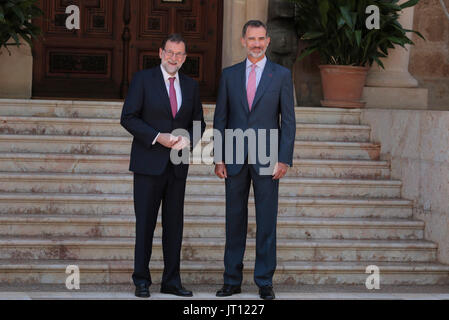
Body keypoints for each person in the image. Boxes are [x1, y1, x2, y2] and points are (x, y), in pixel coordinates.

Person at [213, 20, 296, 300]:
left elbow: (289, 121)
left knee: (266, 221)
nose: (256, 43)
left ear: (268, 41)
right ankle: (231, 280)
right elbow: (221, 119)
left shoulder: (282, 75)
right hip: (234, 157)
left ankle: (264, 281)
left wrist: (283, 158)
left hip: (267, 158)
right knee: (234, 220)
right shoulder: (229, 75)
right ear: (243, 41)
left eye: (261, 38)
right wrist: (219, 157)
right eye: (251, 39)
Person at [120, 33, 206, 298]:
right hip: (148, 164)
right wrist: (159, 137)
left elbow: (199, 122)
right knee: (145, 224)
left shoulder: (191, 86)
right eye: (170, 52)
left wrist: (188, 137)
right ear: (161, 53)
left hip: (177, 166)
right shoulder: (143, 80)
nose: (174, 58)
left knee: (174, 226)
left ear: (184, 58)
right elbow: (129, 117)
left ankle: (171, 281)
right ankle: (142, 280)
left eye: (179, 54)